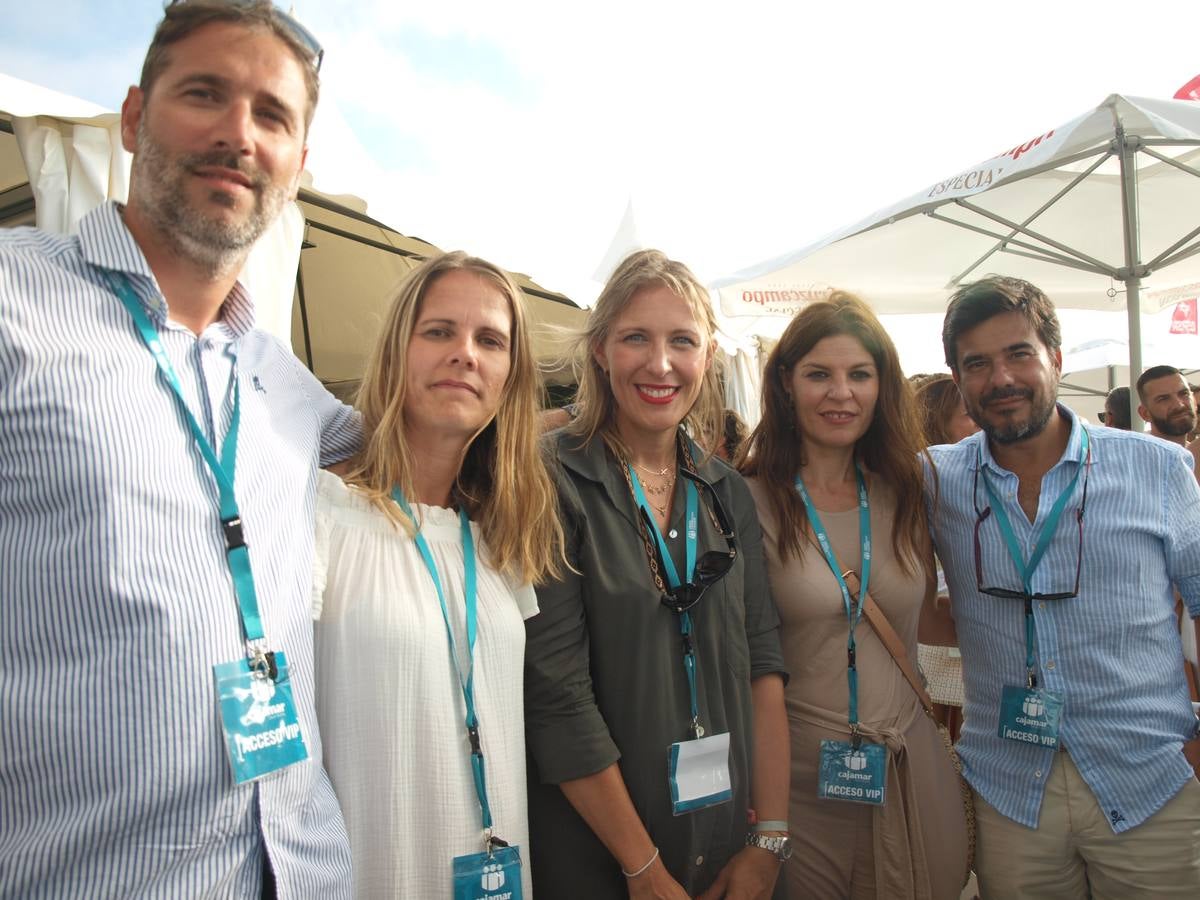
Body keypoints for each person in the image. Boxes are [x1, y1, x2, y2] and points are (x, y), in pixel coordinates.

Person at [0, 3, 357, 896]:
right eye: (205, 94)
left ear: (297, 167)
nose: (239, 134)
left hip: (304, 870)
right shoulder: (13, 301)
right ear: (132, 116)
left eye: (272, 116)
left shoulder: (285, 380)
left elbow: (432, 447)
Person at [524, 249, 790, 899]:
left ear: (707, 356)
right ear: (599, 350)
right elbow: (558, 697)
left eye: (683, 341)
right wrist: (643, 869)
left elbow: (763, 667)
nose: (661, 362)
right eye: (636, 337)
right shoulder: (551, 478)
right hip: (602, 861)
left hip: (730, 851)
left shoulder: (727, 491)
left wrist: (770, 842)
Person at [925, 275, 1200, 899]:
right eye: (978, 364)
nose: (1001, 379)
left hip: (1151, 781)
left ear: (1054, 356)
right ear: (959, 379)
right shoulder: (936, 481)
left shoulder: (1156, 469)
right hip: (1009, 792)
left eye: (1018, 353)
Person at [311, 252, 565, 897]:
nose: (465, 354)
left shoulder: (499, 533)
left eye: (490, 340)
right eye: (439, 331)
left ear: (511, 375)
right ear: (398, 350)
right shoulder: (317, 513)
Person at [740, 293, 970, 899]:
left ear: (881, 386)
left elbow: (922, 620)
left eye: (859, 375)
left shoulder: (910, 490)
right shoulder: (748, 500)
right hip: (798, 779)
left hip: (908, 766)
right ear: (786, 384)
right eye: (819, 374)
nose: (840, 393)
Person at [913, 373, 981, 743]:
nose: (980, 423)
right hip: (938, 657)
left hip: (971, 658)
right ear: (938, 420)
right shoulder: (921, 487)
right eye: (968, 415)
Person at [1137, 365, 1200, 473]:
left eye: (1183, 393)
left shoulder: (1194, 454)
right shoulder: (1137, 460)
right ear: (1145, 413)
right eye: (1163, 399)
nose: (1179, 405)